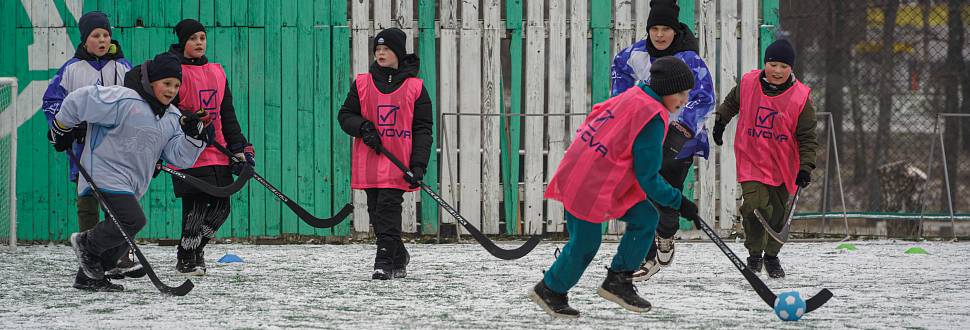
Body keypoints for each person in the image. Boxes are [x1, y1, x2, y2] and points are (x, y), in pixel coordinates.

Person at [529, 57, 702, 318]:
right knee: (585, 244)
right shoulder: (653, 117)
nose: (684, 99)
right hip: (592, 183)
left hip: (579, 170)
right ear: (666, 88)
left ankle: (618, 280)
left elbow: (595, 114)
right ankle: (550, 289)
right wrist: (681, 203)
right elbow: (649, 179)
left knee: (645, 216)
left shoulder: (634, 95)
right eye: (681, 92)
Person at [49, 52, 209, 291]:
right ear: (151, 81)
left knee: (125, 231)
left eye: (176, 85)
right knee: (132, 220)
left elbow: (179, 156)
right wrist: (61, 128)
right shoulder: (124, 99)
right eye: (166, 83)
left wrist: (194, 138)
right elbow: (79, 100)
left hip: (130, 182)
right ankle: (85, 243)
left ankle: (89, 276)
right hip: (102, 171)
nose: (171, 90)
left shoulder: (173, 117)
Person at [609, 0, 716, 282]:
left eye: (665, 29)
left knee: (666, 188)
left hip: (682, 135)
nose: (659, 35)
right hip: (647, 131)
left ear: (674, 30)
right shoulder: (633, 55)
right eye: (654, 28)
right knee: (641, 187)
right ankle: (647, 257)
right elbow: (619, 82)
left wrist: (682, 126)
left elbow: (705, 98)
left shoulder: (689, 60)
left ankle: (666, 235)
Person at [42, 11, 141, 280]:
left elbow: (137, 101)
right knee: (87, 200)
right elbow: (52, 101)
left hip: (115, 148)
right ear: (85, 40)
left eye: (105, 35)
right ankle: (90, 255)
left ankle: (118, 254)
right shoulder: (72, 69)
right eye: (95, 35)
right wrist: (65, 127)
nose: (101, 39)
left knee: (118, 200)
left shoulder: (123, 67)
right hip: (83, 146)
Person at [712, 39, 818, 278]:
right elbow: (731, 103)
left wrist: (806, 166)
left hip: (782, 165)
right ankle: (754, 255)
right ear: (765, 64)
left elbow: (808, 137)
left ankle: (771, 256)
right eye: (772, 64)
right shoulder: (749, 83)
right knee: (755, 206)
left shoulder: (801, 98)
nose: (777, 71)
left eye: (783, 66)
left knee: (777, 215)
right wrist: (721, 121)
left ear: (791, 68)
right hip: (751, 158)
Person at [338, 28, 433, 280]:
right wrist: (363, 127)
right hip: (371, 161)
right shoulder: (362, 83)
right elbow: (345, 116)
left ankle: (383, 262)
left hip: (399, 163)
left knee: (389, 208)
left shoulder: (416, 87)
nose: (380, 53)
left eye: (386, 49)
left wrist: (419, 165)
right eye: (377, 49)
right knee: (376, 212)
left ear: (398, 53)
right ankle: (398, 254)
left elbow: (423, 130)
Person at [166, 19, 255, 276]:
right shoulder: (175, 71)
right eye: (193, 39)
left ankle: (195, 248)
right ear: (183, 42)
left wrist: (239, 147)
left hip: (218, 150)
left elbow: (227, 114)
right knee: (195, 207)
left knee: (221, 208)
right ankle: (187, 257)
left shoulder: (217, 71)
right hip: (189, 151)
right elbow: (170, 110)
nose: (199, 43)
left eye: (202, 38)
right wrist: (189, 122)